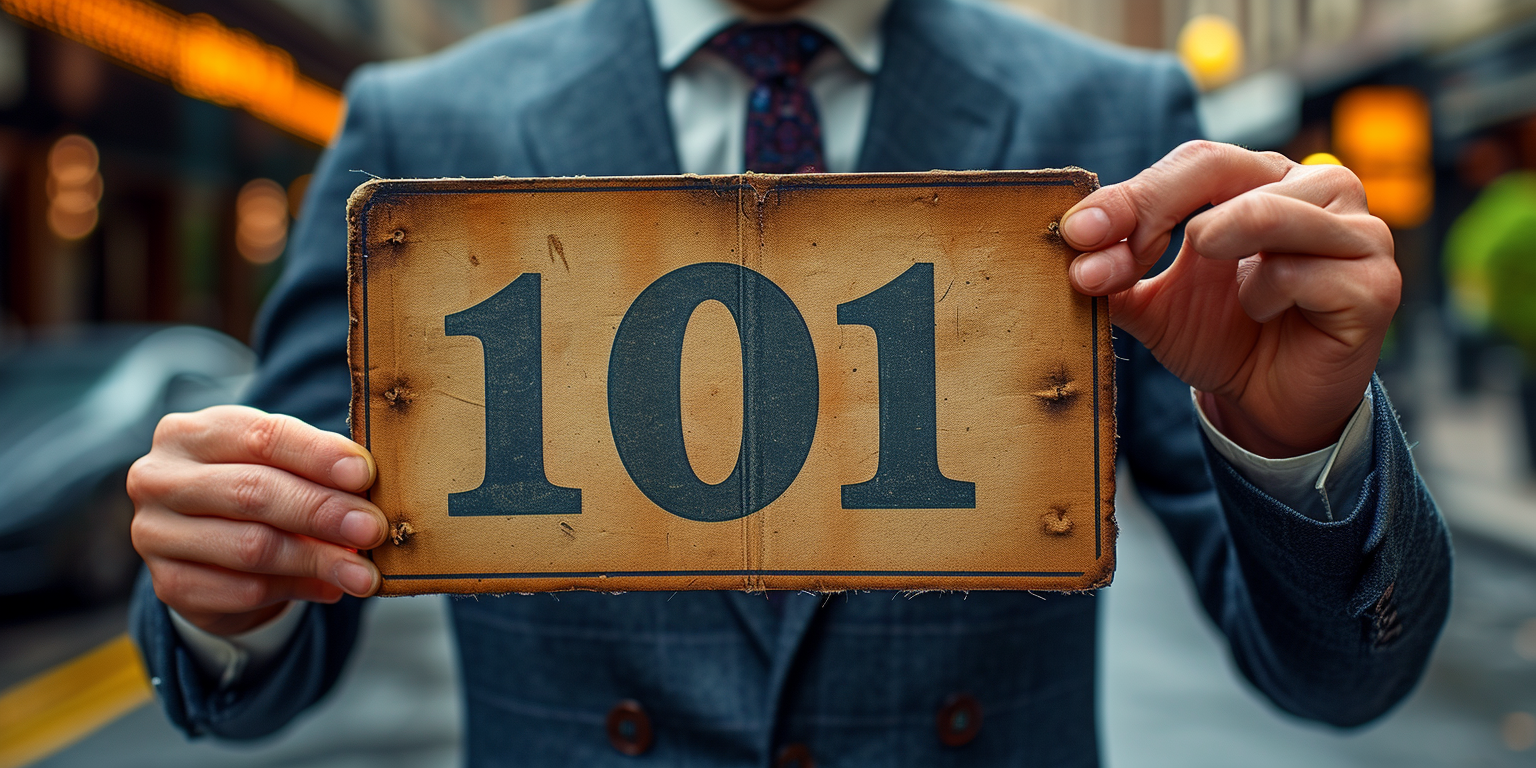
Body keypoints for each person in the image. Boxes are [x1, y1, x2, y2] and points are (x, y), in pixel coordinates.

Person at [126, 0, 1451, 764]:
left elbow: (1340, 684)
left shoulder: (1112, 117)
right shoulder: (420, 133)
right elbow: (289, 601)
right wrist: (230, 597)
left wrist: (1303, 445)